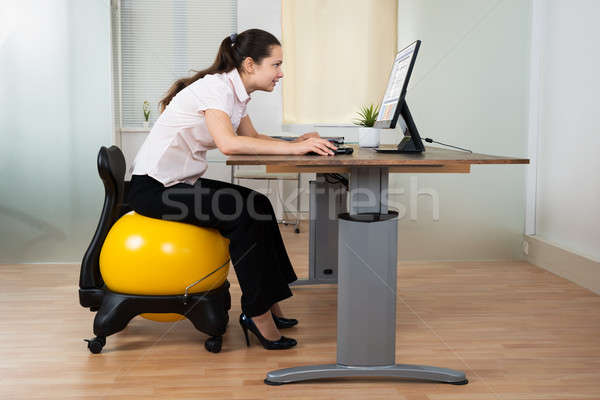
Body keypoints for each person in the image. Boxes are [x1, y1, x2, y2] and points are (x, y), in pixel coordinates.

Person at [127, 29, 338, 350]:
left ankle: (272, 301)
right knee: (244, 214)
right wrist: (295, 150)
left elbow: (253, 138)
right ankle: (257, 314)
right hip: (152, 190)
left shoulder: (235, 92)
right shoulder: (217, 88)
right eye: (276, 65)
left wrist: (295, 143)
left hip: (179, 183)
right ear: (251, 64)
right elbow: (229, 144)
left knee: (258, 203)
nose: (281, 73)